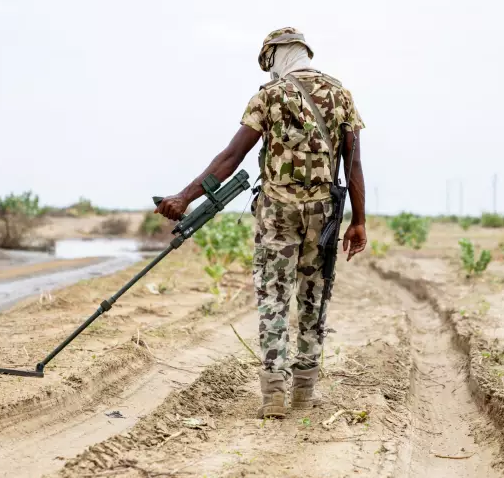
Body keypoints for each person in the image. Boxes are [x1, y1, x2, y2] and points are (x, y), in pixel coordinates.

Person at [155, 27, 367, 418]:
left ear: (275, 55)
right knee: (313, 299)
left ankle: (273, 396)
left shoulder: (268, 96)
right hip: (323, 215)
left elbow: (231, 156)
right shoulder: (342, 95)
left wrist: (185, 197)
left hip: (277, 214)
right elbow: (353, 163)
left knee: (274, 299)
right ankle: (304, 393)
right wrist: (360, 221)